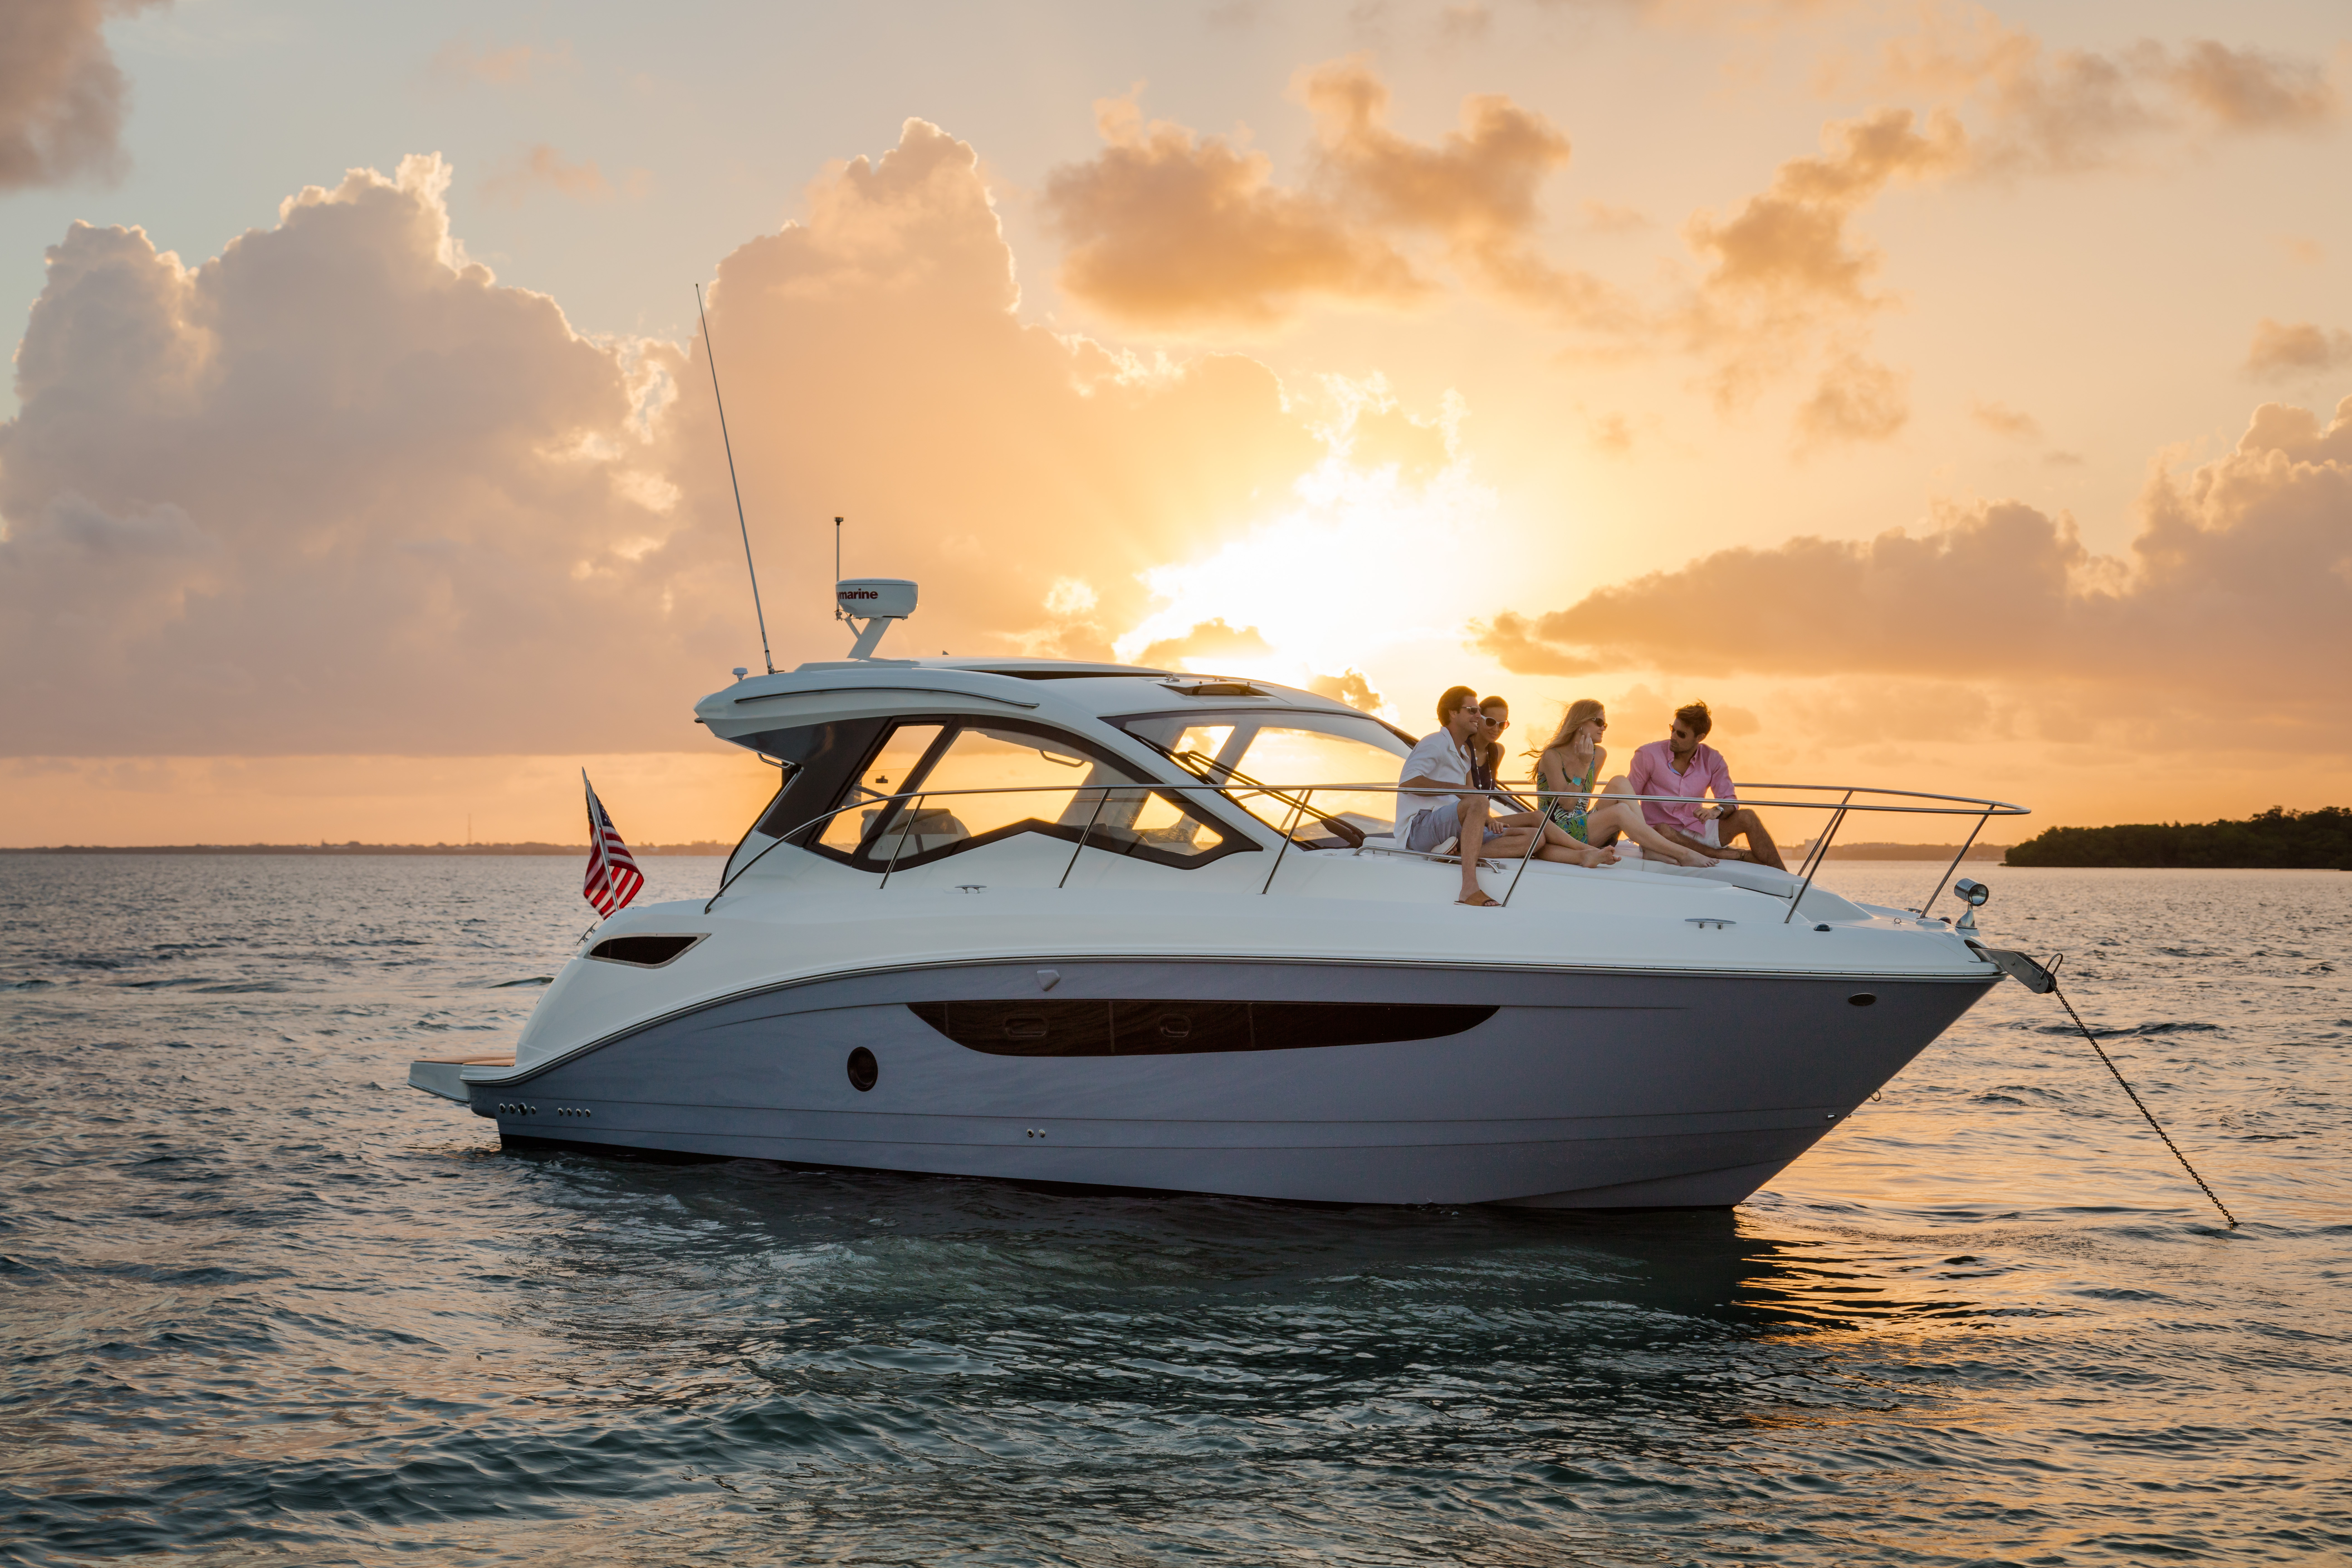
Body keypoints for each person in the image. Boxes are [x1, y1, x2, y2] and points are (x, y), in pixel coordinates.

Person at [1397, 688, 1615, 907]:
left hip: (1454, 826)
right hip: (1420, 827)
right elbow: (1408, 783)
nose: (1478, 716)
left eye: (1480, 711)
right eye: (1473, 710)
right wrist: (1464, 793)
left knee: (1536, 839)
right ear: (1453, 713)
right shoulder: (1434, 742)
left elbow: (1469, 795)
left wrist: (1487, 817)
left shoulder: (1463, 753)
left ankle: (1455, 852)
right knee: (1479, 800)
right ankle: (1469, 888)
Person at [1530, 699, 1719, 868]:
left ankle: (1648, 845)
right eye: (1598, 722)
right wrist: (1583, 764)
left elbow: (1582, 804)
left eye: (1605, 724)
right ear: (1580, 723)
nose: (1603, 728)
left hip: (1581, 825)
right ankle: (1682, 853)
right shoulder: (1553, 756)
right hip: (1558, 833)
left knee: (1620, 782)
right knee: (1620, 812)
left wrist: (1587, 762)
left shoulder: (1599, 754)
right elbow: (1567, 804)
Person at [1626, 701, 1785, 869]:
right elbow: (1627, 798)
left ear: (1699, 738)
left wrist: (1716, 811)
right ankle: (1720, 854)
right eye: (1673, 729)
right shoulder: (1648, 755)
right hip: (1662, 836)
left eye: (1682, 734)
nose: (1673, 736)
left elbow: (1730, 800)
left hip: (1698, 828)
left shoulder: (1713, 759)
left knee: (1748, 817)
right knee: (1662, 829)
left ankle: (1789, 879)